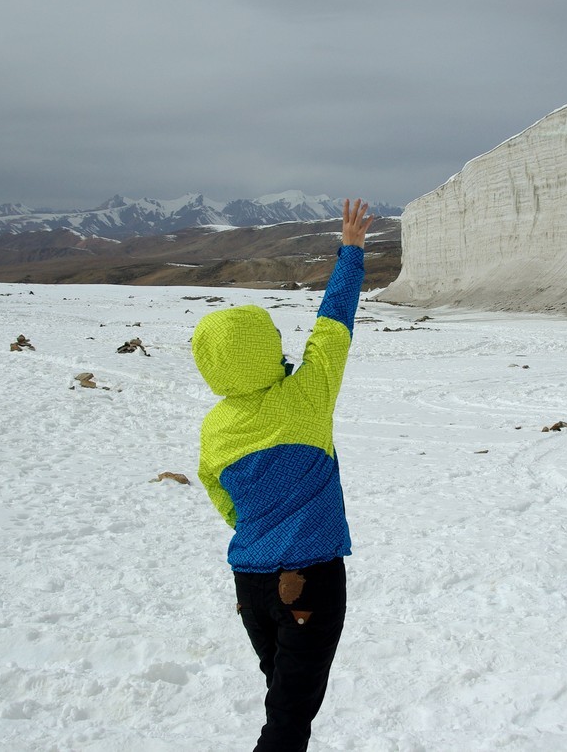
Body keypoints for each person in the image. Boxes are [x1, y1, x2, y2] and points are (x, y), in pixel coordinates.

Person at [192, 198, 374, 751]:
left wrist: (256, 526)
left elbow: (219, 494)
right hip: (310, 579)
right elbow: (333, 326)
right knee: (289, 718)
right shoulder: (306, 396)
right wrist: (351, 251)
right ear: (268, 348)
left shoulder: (216, 427)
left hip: (251, 582)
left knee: (285, 698)